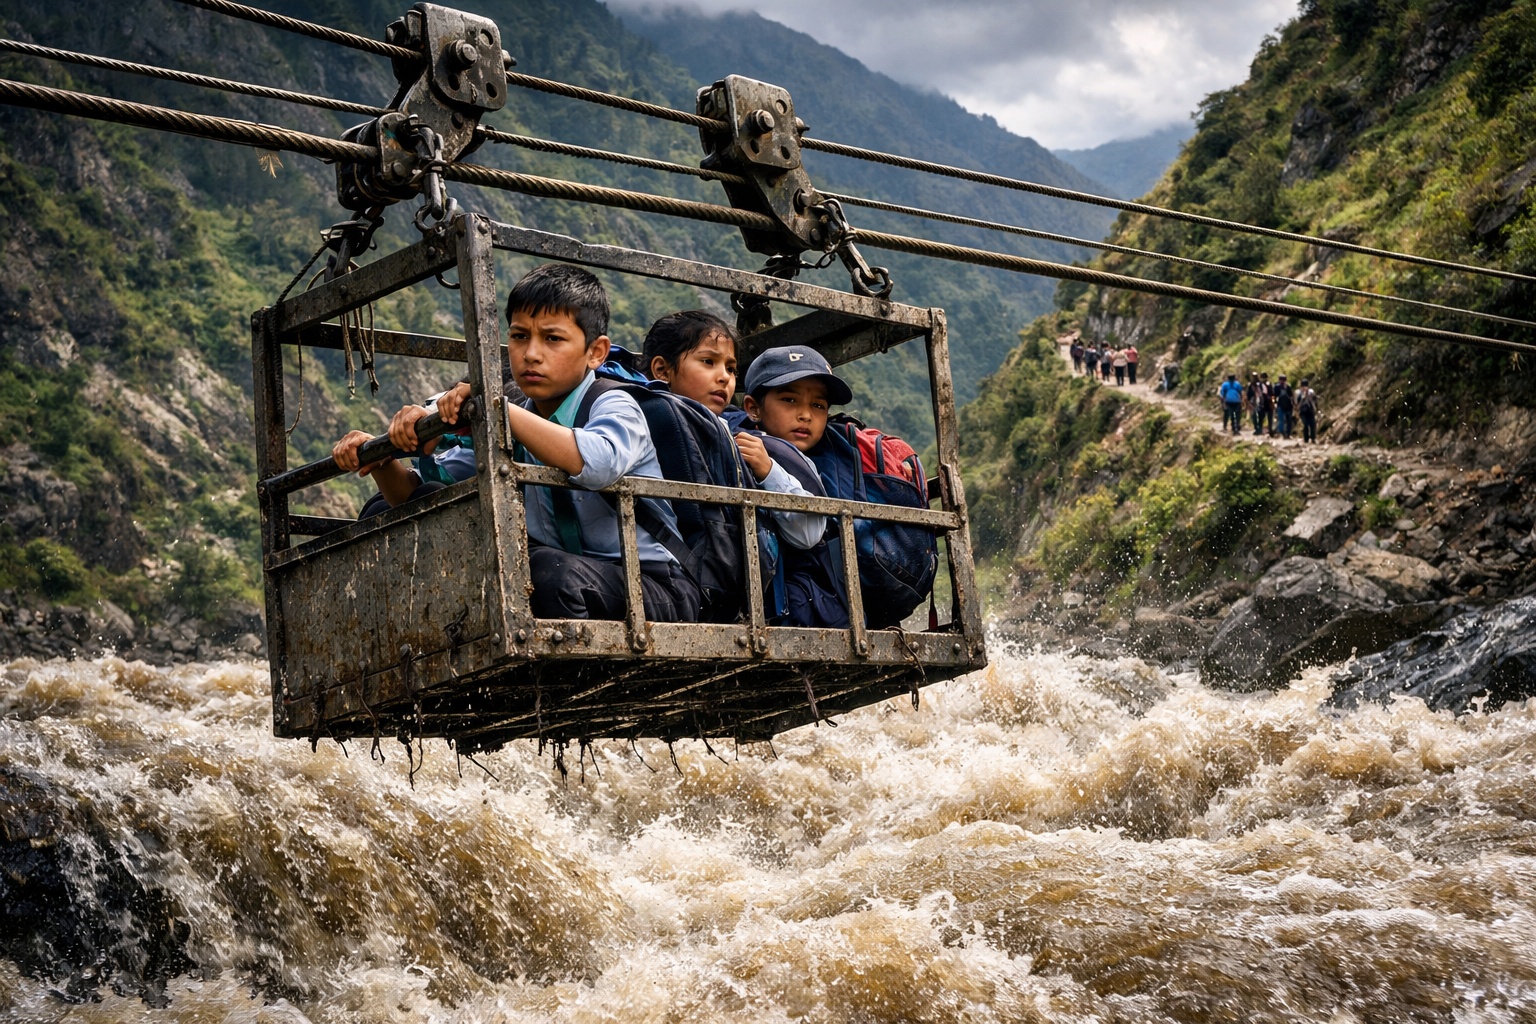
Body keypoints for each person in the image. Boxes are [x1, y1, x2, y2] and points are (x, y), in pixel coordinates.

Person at [386, 263, 700, 623]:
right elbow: (425, 495)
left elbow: (597, 463)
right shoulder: (518, 416)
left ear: (596, 352)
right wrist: (396, 445)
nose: (531, 354)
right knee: (434, 522)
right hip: (574, 576)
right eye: (519, 336)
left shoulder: (613, 403)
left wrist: (496, 408)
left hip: (655, 584)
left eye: (552, 339)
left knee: (544, 570)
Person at [643, 311, 841, 627]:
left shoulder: (744, 445)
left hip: (727, 592)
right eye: (709, 362)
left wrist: (767, 470)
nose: (724, 377)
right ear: (661, 369)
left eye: (731, 368)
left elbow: (809, 532)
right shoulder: (636, 418)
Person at [736, 346, 854, 628]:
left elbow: (808, 534)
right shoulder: (737, 445)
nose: (805, 415)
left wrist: (769, 471)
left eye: (818, 406)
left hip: (802, 607)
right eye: (789, 400)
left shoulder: (810, 464)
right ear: (753, 408)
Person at [1296, 378, 1320, 443]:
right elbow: (1298, 405)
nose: (1304, 388)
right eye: (1303, 386)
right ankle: (1306, 439)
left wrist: (1317, 408)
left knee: (1312, 424)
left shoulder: (1311, 392)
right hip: (1303, 412)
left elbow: (1315, 401)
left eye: (1305, 386)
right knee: (1306, 424)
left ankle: (1313, 438)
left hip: (1310, 410)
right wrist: (1303, 399)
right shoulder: (1299, 394)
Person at [1273, 374, 1295, 439]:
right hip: (1280, 405)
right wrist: (1275, 403)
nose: (1282, 381)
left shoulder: (1288, 387)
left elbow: (1291, 396)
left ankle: (1288, 434)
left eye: (1283, 380)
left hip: (1288, 406)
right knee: (1281, 420)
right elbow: (1274, 396)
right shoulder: (1277, 387)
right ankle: (1282, 433)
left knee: (1288, 421)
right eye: (1281, 380)